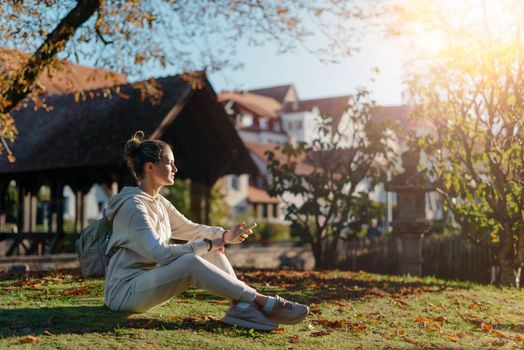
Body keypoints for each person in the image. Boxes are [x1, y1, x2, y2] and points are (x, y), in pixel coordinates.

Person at [103, 131, 308, 331]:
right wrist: (208, 244)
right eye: (169, 163)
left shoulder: (159, 203)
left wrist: (224, 236)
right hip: (124, 293)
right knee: (192, 259)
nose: (175, 168)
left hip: (147, 283)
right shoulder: (133, 207)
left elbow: (191, 229)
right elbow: (160, 254)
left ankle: (242, 307)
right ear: (149, 167)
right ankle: (262, 301)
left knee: (206, 247)